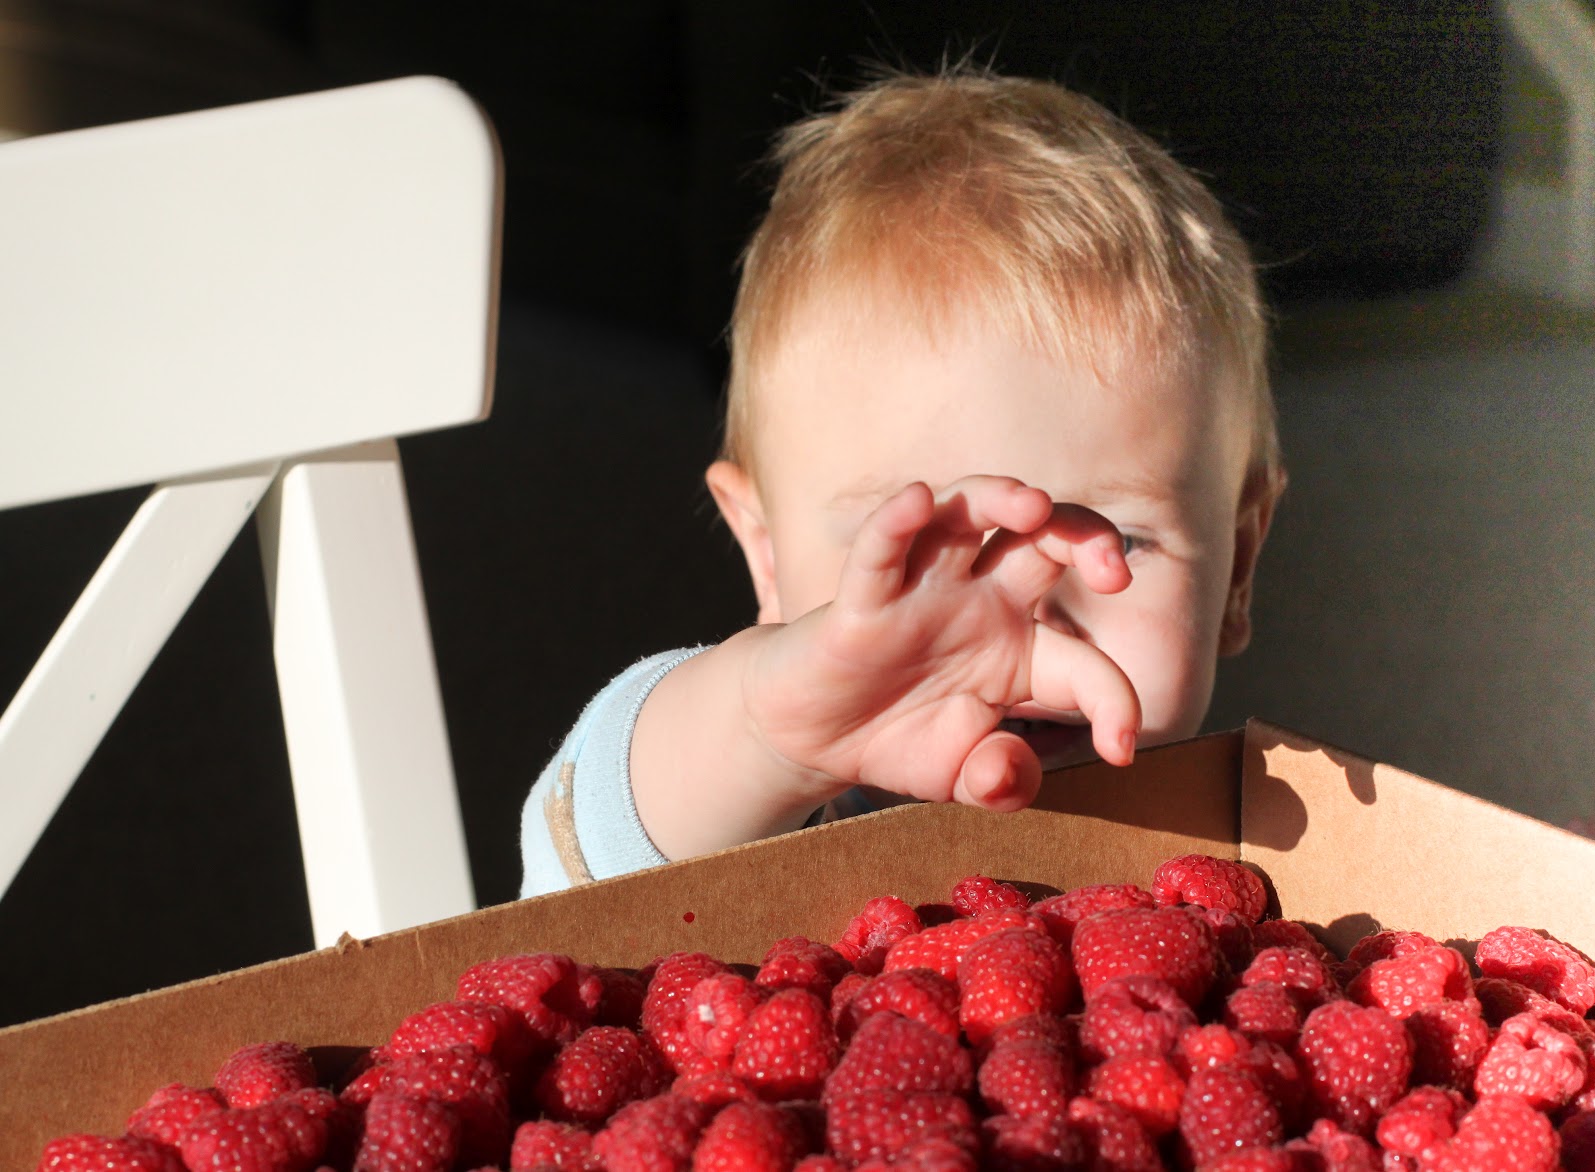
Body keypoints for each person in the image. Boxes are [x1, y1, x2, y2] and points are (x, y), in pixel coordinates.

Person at [520, 67, 1284, 897]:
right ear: (767, 556)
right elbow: (585, 859)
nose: (1012, 621)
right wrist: (765, 734)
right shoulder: (769, 815)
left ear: (1237, 568)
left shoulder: (1256, 842)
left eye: (1115, 540)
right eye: (919, 544)